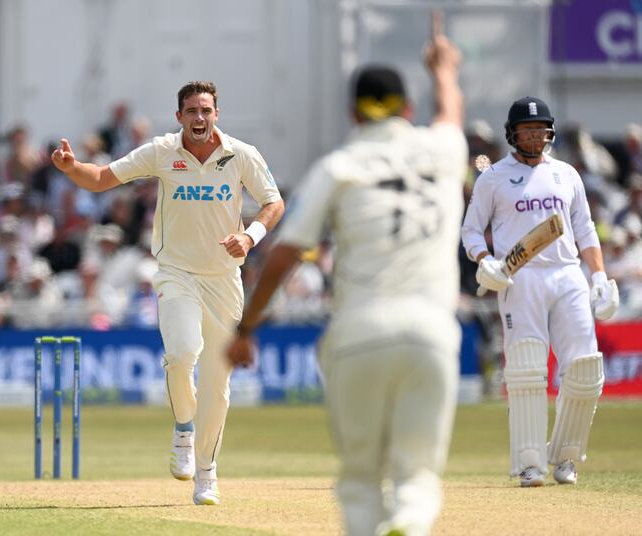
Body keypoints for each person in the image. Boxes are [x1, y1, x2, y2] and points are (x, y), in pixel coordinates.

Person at [227, 13, 465, 536]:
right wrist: (443, 68)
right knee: (419, 476)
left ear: (353, 113)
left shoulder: (339, 166)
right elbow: (450, 112)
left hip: (358, 333)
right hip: (432, 333)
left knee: (360, 479)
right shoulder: (445, 151)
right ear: (408, 108)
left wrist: (246, 328)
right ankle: (407, 518)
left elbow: (287, 254)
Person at [52, 81, 284, 505]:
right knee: (180, 355)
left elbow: (274, 202)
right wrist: (71, 168)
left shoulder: (239, 153)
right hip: (176, 272)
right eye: (191, 111)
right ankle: (183, 429)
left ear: (217, 114)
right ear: (179, 117)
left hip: (224, 278)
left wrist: (249, 237)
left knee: (218, 384)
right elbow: (104, 177)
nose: (199, 118)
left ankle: (207, 473)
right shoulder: (162, 150)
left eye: (206, 110)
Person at [461, 96, 620, 487]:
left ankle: (566, 457)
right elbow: (469, 231)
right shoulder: (492, 177)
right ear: (513, 134)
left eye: (540, 129)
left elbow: (584, 229)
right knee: (527, 369)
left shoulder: (566, 174)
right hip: (520, 276)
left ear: (548, 132)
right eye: (526, 130)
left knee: (584, 368)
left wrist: (599, 276)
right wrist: (486, 262)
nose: (534, 136)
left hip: (567, 274)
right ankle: (530, 464)